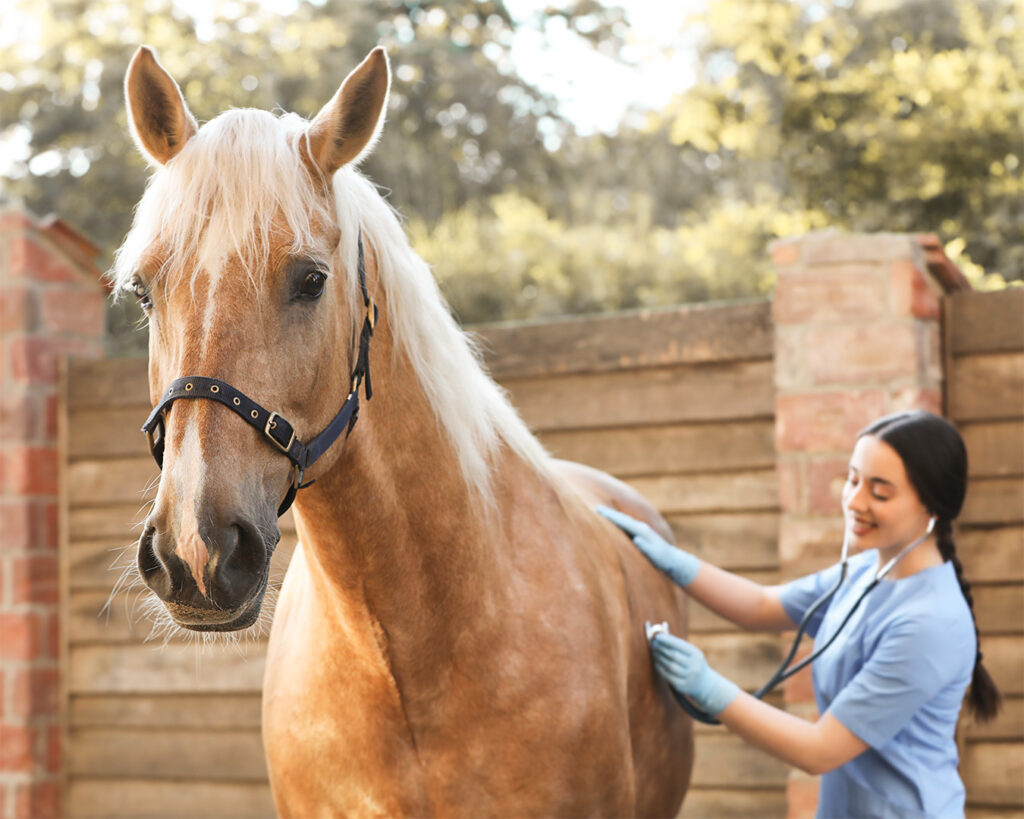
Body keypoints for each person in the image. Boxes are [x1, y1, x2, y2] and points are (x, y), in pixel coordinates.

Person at [598, 410, 1001, 819]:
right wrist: (676, 563)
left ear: (932, 507)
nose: (855, 502)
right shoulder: (868, 570)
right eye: (853, 479)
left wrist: (709, 688)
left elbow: (819, 750)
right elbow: (763, 607)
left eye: (880, 493)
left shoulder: (929, 625)